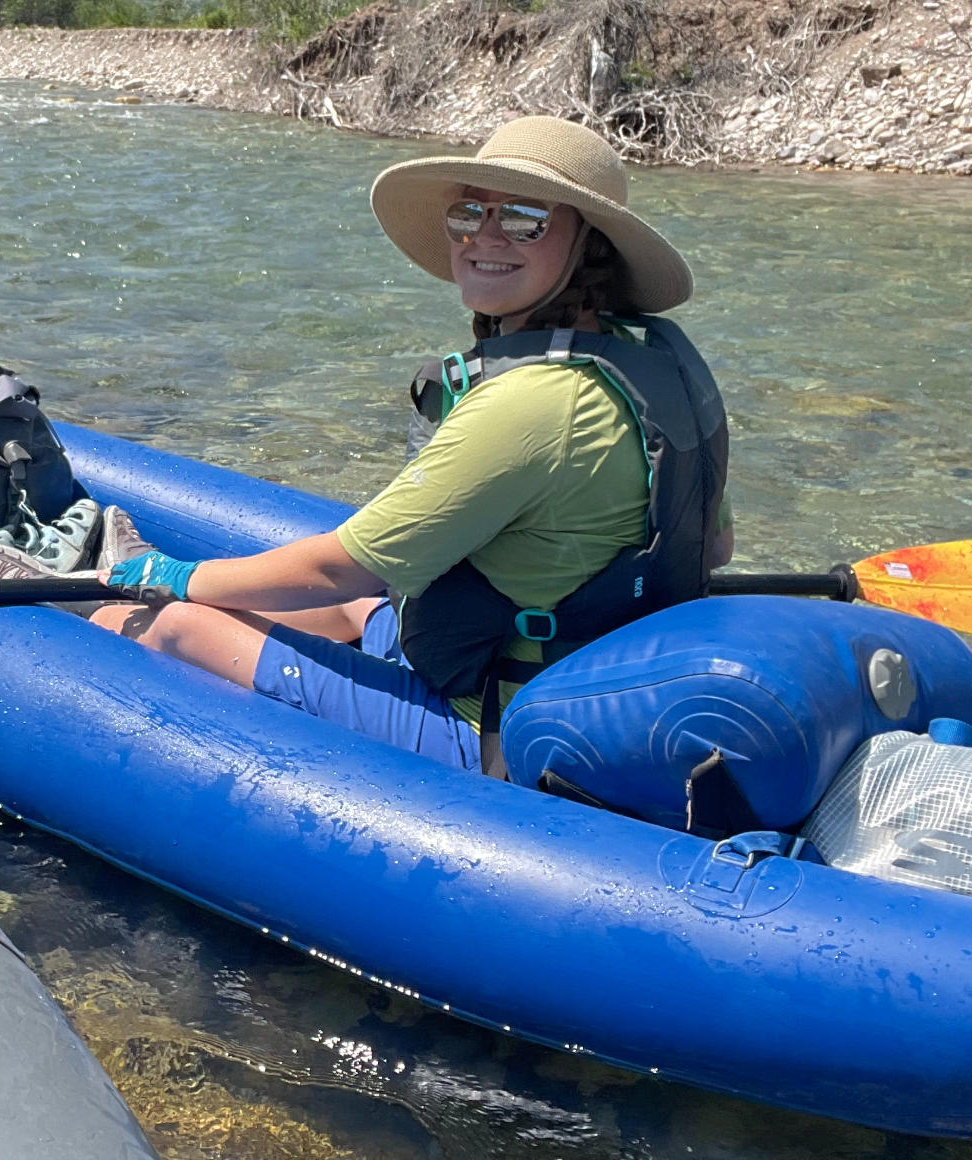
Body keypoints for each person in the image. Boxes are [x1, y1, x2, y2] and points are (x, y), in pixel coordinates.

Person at [78, 117, 729, 781]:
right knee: (357, 614)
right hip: (574, 680)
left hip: (497, 730)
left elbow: (343, 567)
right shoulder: (648, 365)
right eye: (469, 211)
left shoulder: (535, 401)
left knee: (180, 626)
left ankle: (86, 637)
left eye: (527, 218)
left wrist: (178, 578)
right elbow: (714, 548)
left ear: (590, 245)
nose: (485, 236)